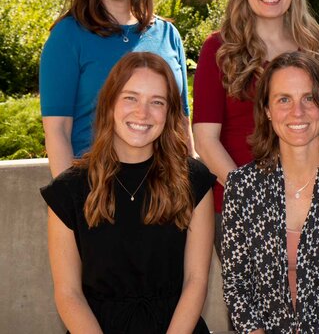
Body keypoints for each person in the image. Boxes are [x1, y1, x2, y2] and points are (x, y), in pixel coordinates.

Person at [192, 0, 319, 255]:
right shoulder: (220, 50)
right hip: (243, 206)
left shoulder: (317, 48)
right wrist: (251, 194)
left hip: (311, 206)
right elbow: (205, 139)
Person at [41, 52, 215, 333]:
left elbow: (196, 281)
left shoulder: (194, 180)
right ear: (109, 103)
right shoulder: (68, 190)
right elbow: (68, 294)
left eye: (156, 102)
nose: (142, 113)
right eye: (130, 97)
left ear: (170, 113)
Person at [222, 51, 319, 332]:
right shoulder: (242, 187)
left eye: (309, 98)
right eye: (284, 99)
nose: (298, 112)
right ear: (267, 110)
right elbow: (237, 288)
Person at [40, 0, 192, 178]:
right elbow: (57, 131)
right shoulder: (67, 37)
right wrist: (71, 203)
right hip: (97, 190)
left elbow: (182, 122)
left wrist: (190, 187)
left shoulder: (168, 35)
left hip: (165, 191)